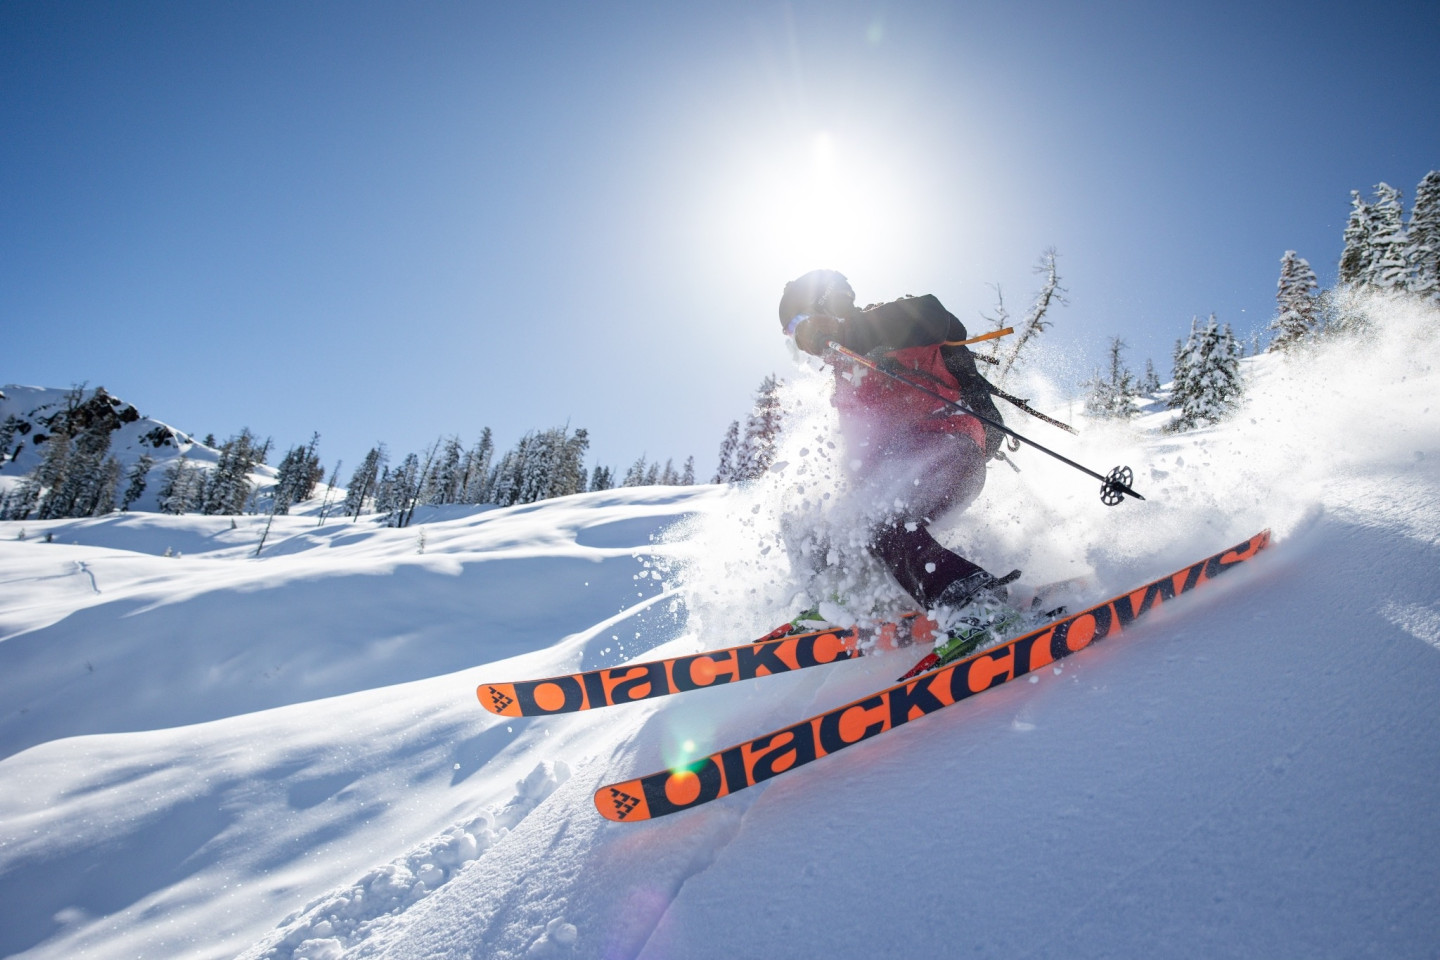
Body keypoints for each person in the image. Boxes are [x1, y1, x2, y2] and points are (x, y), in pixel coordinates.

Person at [778, 268, 1017, 617]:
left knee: (882, 522)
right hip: (903, 471)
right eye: (790, 334)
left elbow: (934, 316)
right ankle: (842, 602)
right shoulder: (846, 379)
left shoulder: (883, 324)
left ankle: (974, 604)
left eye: (800, 323)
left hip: (949, 449)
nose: (801, 340)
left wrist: (850, 331)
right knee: (817, 524)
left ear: (830, 304)